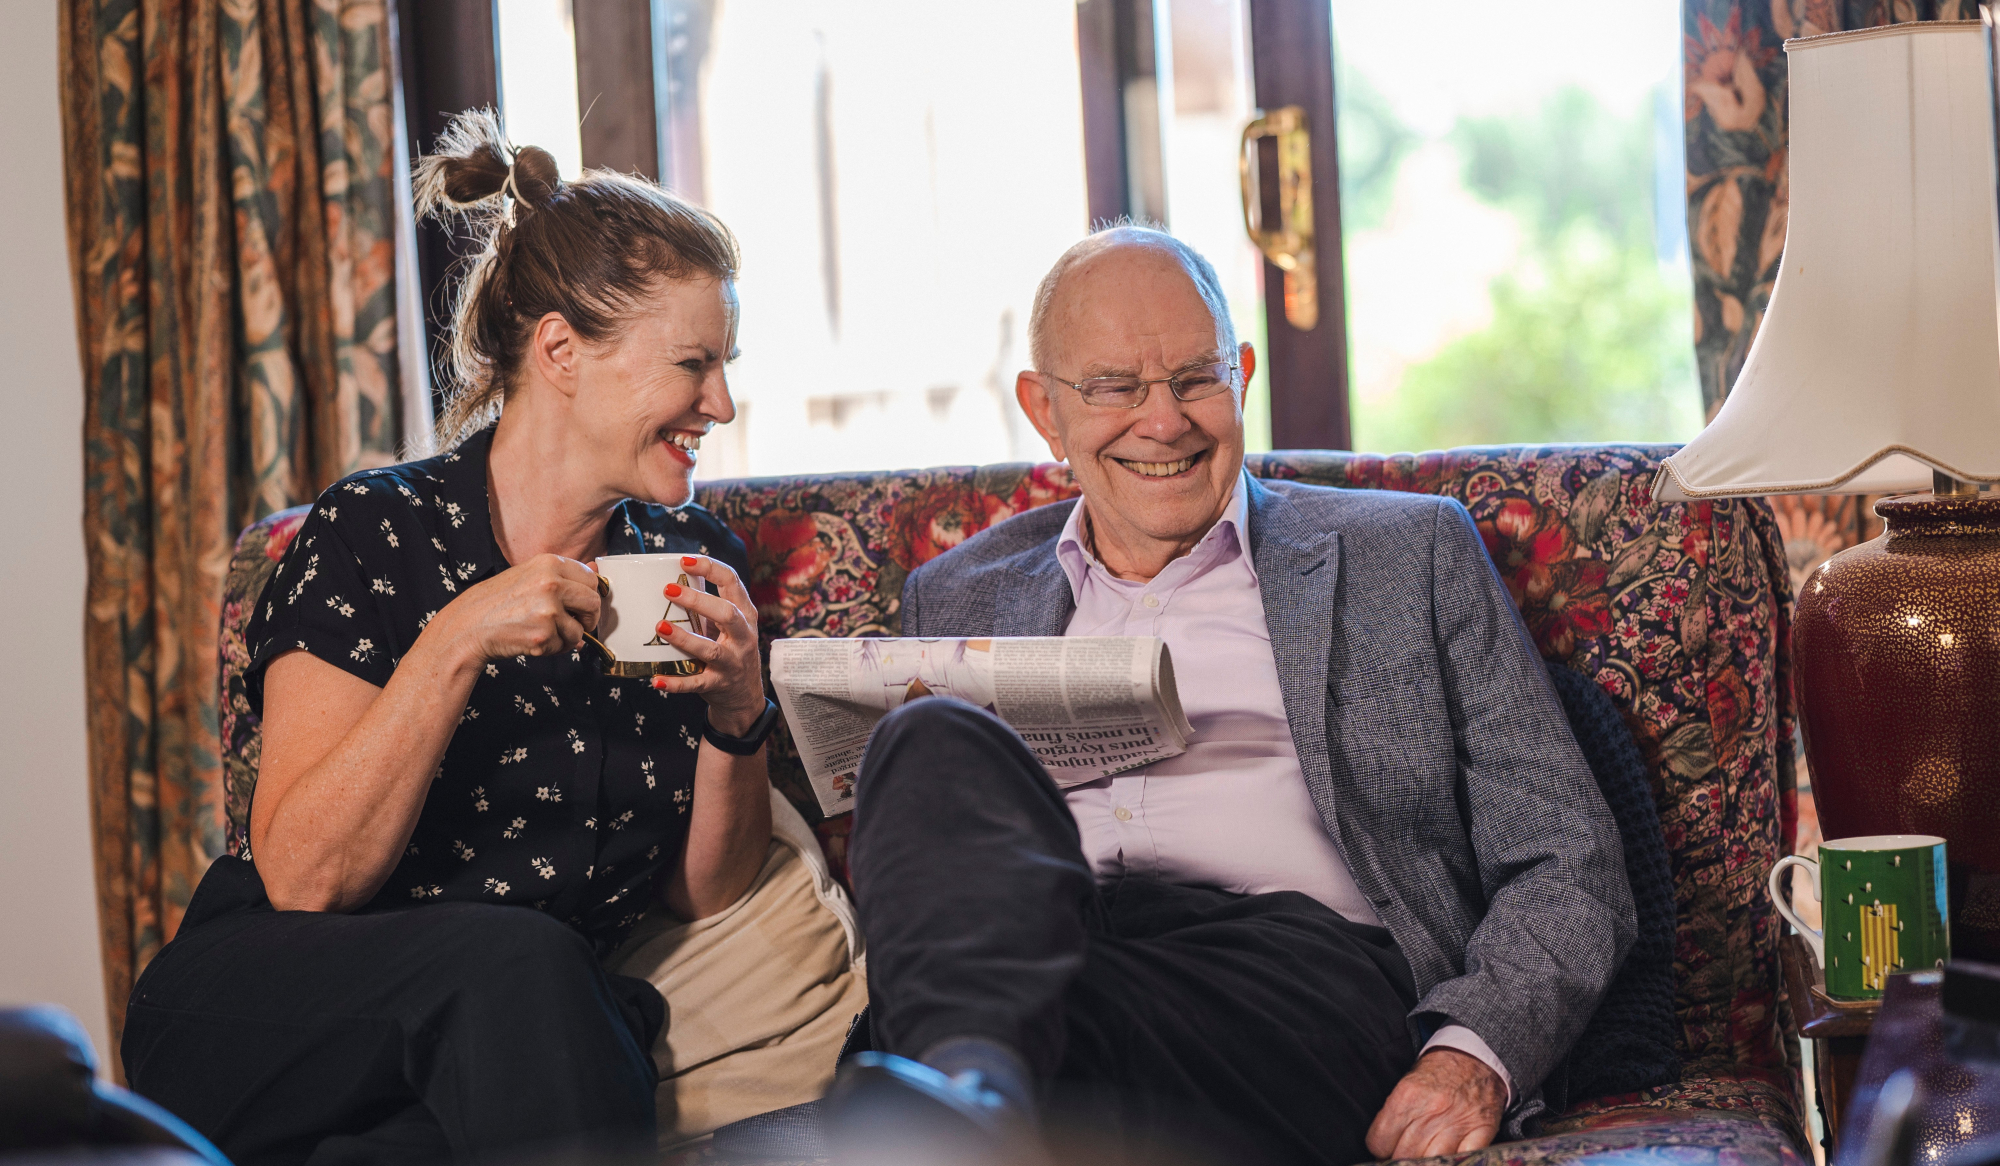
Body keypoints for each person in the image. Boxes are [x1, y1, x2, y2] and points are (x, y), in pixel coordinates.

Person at [828, 226, 1637, 1166]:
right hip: (1045, 960)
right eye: (1114, 388)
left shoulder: (1405, 555)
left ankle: (955, 1110)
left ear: (1243, 375)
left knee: (1032, 1028)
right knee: (928, 739)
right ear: (1044, 410)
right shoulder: (959, 591)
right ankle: (979, 1096)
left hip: (1296, 978)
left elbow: (1567, 854)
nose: (1163, 421)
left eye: (1195, 379)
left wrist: (1471, 1055)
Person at [121, 112, 783, 1165]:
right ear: (560, 350)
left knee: (539, 1028)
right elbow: (306, 878)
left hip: (517, 1039)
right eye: (694, 365)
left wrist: (738, 711)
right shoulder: (373, 531)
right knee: (523, 969)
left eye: (726, 366)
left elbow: (700, 891)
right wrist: (455, 637)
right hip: (272, 1010)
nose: (722, 402)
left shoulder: (688, 556)